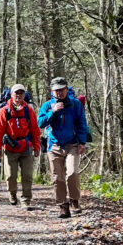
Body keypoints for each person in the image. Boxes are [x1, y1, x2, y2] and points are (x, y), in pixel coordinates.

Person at [37, 75, 88, 218]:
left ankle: (74, 200)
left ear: (66, 89)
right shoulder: (47, 106)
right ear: (52, 92)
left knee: (72, 172)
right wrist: (52, 111)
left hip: (72, 144)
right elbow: (40, 123)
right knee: (57, 177)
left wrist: (82, 142)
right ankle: (62, 206)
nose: (59, 92)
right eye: (56, 90)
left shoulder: (75, 104)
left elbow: (82, 123)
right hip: (54, 146)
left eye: (62, 89)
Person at [0, 83, 40, 210]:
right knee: (10, 176)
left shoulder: (28, 110)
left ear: (24, 95)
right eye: (16, 93)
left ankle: (26, 199)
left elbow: (35, 130)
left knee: (27, 176)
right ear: (11, 95)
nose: (18, 95)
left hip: (26, 148)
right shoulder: (4, 111)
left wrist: (36, 147)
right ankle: (12, 193)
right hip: (10, 148)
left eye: (21, 93)